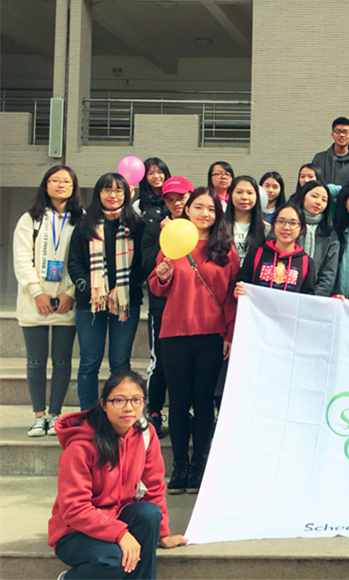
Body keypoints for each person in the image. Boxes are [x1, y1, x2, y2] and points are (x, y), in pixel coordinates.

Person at [49, 371, 188, 580]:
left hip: (117, 516)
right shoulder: (80, 446)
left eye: (136, 400)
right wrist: (120, 533)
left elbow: (153, 486)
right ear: (103, 404)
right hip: (75, 532)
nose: (129, 408)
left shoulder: (145, 434)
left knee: (149, 513)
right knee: (114, 560)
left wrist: (162, 533)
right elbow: (74, 508)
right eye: (119, 400)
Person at [148, 187, 239, 493]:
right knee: (177, 404)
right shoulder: (173, 240)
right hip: (174, 333)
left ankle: (200, 464)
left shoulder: (225, 248)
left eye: (211, 209)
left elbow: (232, 296)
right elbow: (157, 287)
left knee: (203, 403)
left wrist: (229, 333)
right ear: (187, 210)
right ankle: (180, 466)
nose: (204, 213)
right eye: (198, 207)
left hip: (212, 335)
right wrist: (162, 275)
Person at [14, 166, 82, 437]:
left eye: (66, 181)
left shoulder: (82, 219)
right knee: (36, 361)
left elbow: (86, 259)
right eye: (55, 180)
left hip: (67, 301)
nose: (61, 184)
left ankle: (55, 415)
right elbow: (22, 259)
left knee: (63, 361)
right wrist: (36, 292)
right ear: (45, 185)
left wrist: (71, 293)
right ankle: (38, 416)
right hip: (34, 301)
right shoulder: (30, 219)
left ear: (74, 187)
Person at [68, 173, 145, 411]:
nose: (113, 195)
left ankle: (119, 412)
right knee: (89, 363)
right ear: (98, 193)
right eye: (107, 190)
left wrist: (122, 290)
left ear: (126, 194)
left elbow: (142, 265)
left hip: (126, 303)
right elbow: (75, 264)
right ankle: (89, 414)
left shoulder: (137, 225)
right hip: (90, 304)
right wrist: (92, 290)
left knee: (120, 363)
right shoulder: (85, 225)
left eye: (118, 190)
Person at [140, 176, 192, 438]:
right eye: (170, 199)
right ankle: (155, 411)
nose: (176, 203)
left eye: (181, 198)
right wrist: (165, 236)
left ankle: (187, 411)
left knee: (190, 364)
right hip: (162, 307)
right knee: (159, 361)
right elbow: (147, 264)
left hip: (193, 308)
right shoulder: (155, 226)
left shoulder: (203, 227)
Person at [235, 204, 316, 296]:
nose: (286, 227)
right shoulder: (255, 254)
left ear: (301, 228)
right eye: (281, 221)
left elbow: (308, 298)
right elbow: (241, 285)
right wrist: (238, 293)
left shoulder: (307, 263)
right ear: (273, 225)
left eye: (293, 223)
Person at [292, 180, 341, 297]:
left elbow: (328, 276)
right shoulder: (288, 225)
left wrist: (313, 299)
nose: (319, 202)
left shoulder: (330, 234)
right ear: (303, 197)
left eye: (324, 200)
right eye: (314, 196)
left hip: (314, 297)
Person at [224, 176, 269, 265]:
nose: (244, 197)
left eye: (249, 193)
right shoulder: (219, 225)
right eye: (239, 192)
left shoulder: (266, 229)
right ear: (231, 194)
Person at [311, 116, 349, 186]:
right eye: (338, 131)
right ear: (332, 134)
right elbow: (313, 183)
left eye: (345, 132)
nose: (342, 135)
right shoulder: (320, 159)